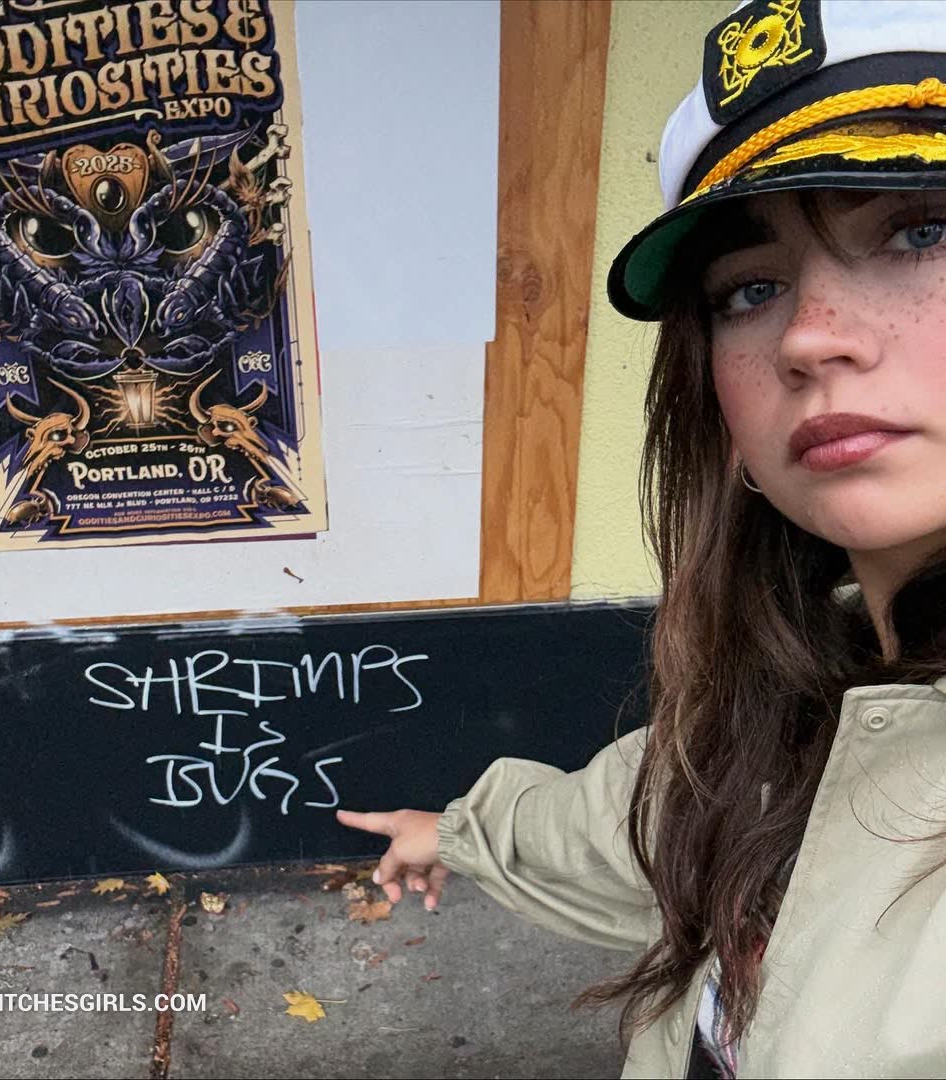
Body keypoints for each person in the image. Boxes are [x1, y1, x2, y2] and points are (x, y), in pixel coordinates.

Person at [338, 2, 946, 1076]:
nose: (809, 335)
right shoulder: (812, 679)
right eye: (750, 289)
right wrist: (460, 834)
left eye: (919, 231)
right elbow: (649, 811)